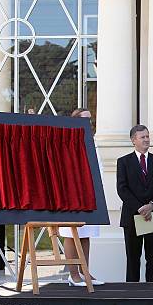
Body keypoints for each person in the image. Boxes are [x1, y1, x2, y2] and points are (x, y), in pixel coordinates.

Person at [117, 125, 153, 282]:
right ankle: (132, 295)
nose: (146, 139)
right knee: (133, 259)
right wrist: (140, 208)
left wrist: (151, 205)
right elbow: (122, 189)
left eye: (147, 136)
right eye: (142, 137)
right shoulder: (123, 162)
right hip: (132, 216)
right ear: (134, 140)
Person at [60, 108, 103, 287]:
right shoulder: (67, 141)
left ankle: (85, 272)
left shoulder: (92, 141)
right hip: (73, 195)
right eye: (85, 119)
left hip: (90, 195)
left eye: (90, 120)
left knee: (87, 234)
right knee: (72, 234)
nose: (89, 123)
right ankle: (73, 274)